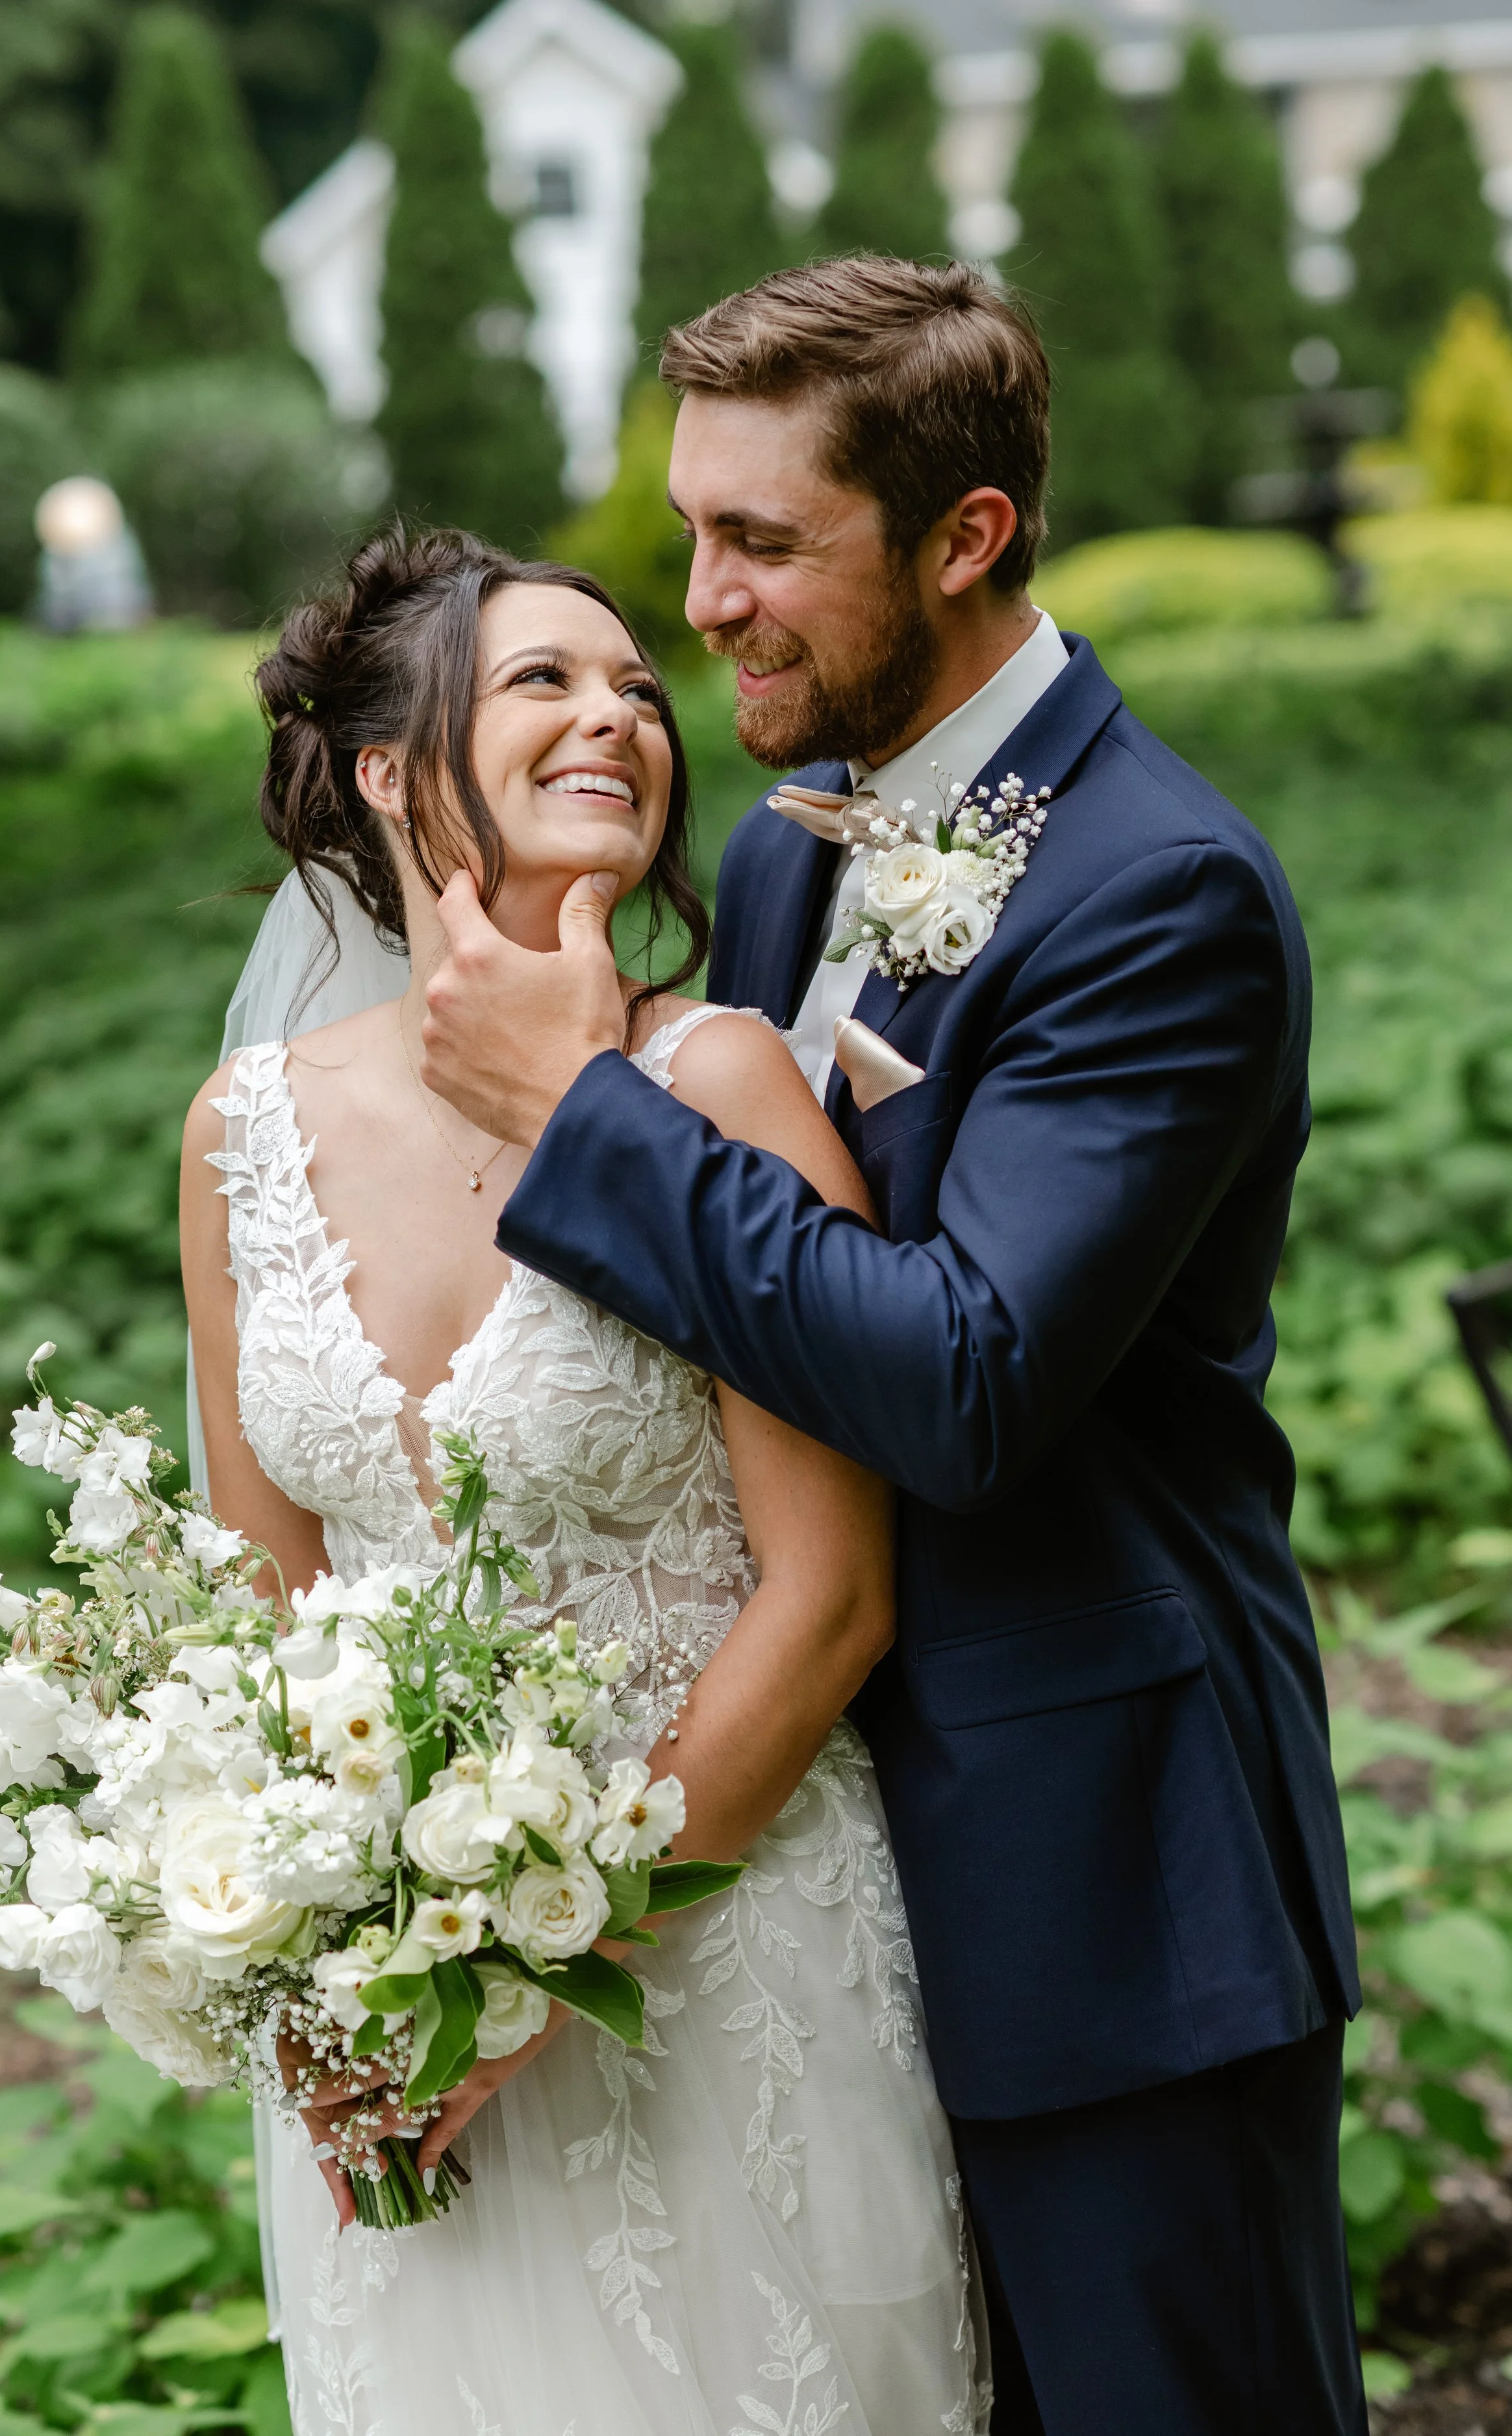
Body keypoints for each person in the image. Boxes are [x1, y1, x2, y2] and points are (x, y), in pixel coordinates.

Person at [409, 258, 1368, 2434]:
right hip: (829, 1907)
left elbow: (963, 1379)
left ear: (965, 538)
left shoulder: (1155, 892)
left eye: (762, 543)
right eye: (690, 531)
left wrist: (581, 1124)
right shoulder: (777, 856)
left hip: (1110, 1881)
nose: (703, 603)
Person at [181, 527, 984, 2436]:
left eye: (635, 685)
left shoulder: (720, 1083)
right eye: (545, 677)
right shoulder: (245, 1135)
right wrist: (340, 1960)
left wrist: (544, 1967)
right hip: (402, 2009)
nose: (618, 711)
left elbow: (833, 1593)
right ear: (387, 769)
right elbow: (256, 1604)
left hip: (725, 1967)